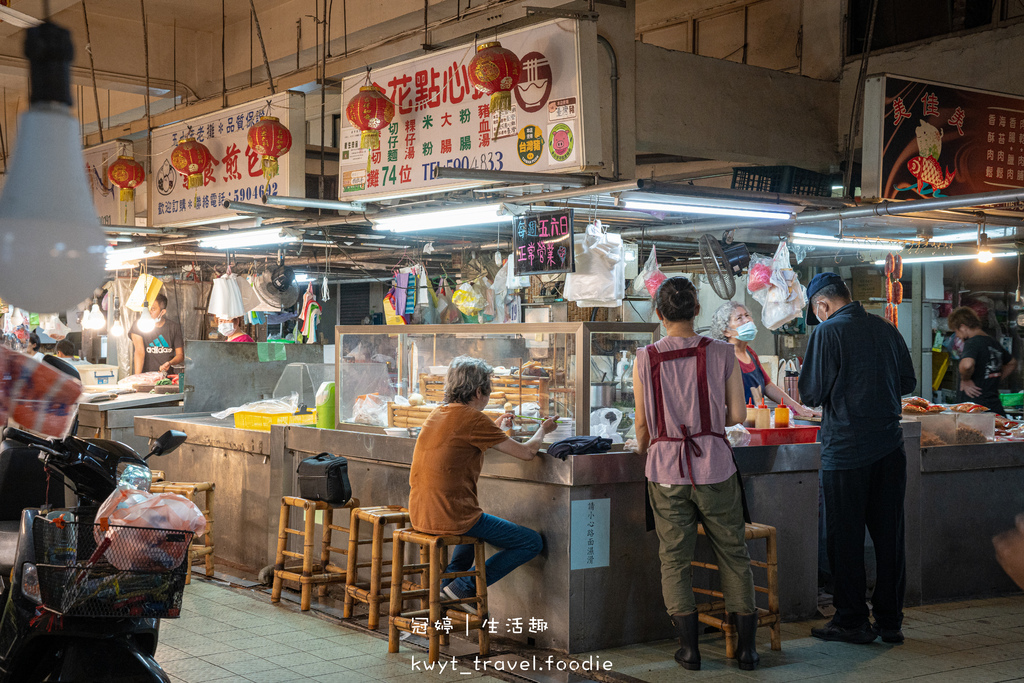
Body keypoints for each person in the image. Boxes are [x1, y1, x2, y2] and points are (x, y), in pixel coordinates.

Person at [632, 277, 759, 671]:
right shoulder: (721, 351)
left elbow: (641, 428)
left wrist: (649, 449)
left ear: (658, 314)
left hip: (666, 468)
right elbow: (738, 415)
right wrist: (702, 421)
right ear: (697, 311)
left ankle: (689, 651)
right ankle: (746, 651)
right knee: (734, 555)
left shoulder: (645, 357)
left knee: (674, 559)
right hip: (715, 465)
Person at [798, 272, 916, 645]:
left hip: (846, 452)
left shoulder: (827, 332)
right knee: (889, 537)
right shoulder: (886, 329)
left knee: (845, 539)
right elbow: (908, 383)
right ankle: (890, 620)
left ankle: (850, 620)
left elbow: (812, 394)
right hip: (889, 449)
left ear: (822, 305)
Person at [408, 356, 557, 614]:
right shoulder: (473, 420)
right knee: (530, 542)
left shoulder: (439, 413)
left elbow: (465, 440)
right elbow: (527, 453)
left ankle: (451, 588)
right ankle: (465, 586)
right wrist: (543, 430)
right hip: (451, 516)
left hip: (420, 513)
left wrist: (496, 428)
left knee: (476, 526)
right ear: (479, 391)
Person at [709, 301, 818, 416]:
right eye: (739, 318)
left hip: (757, 421)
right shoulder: (721, 356)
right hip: (735, 425)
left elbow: (768, 385)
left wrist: (797, 407)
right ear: (725, 331)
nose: (747, 321)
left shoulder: (750, 353)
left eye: (747, 315)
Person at [948, 306, 1016, 416]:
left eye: (956, 331)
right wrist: (994, 378)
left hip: (974, 410)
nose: (957, 336)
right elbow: (1011, 363)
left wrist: (965, 380)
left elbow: (967, 365)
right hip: (994, 408)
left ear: (963, 327)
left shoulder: (973, 342)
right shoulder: (993, 342)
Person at [130, 293, 183, 375]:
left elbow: (180, 355)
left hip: (167, 377)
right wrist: (137, 378)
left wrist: (169, 363)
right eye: (146, 309)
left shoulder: (173, 327)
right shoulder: (138, 326)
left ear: (162, 312)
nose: (149, 312)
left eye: (153, 309)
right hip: (146, 376)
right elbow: (139, 351)